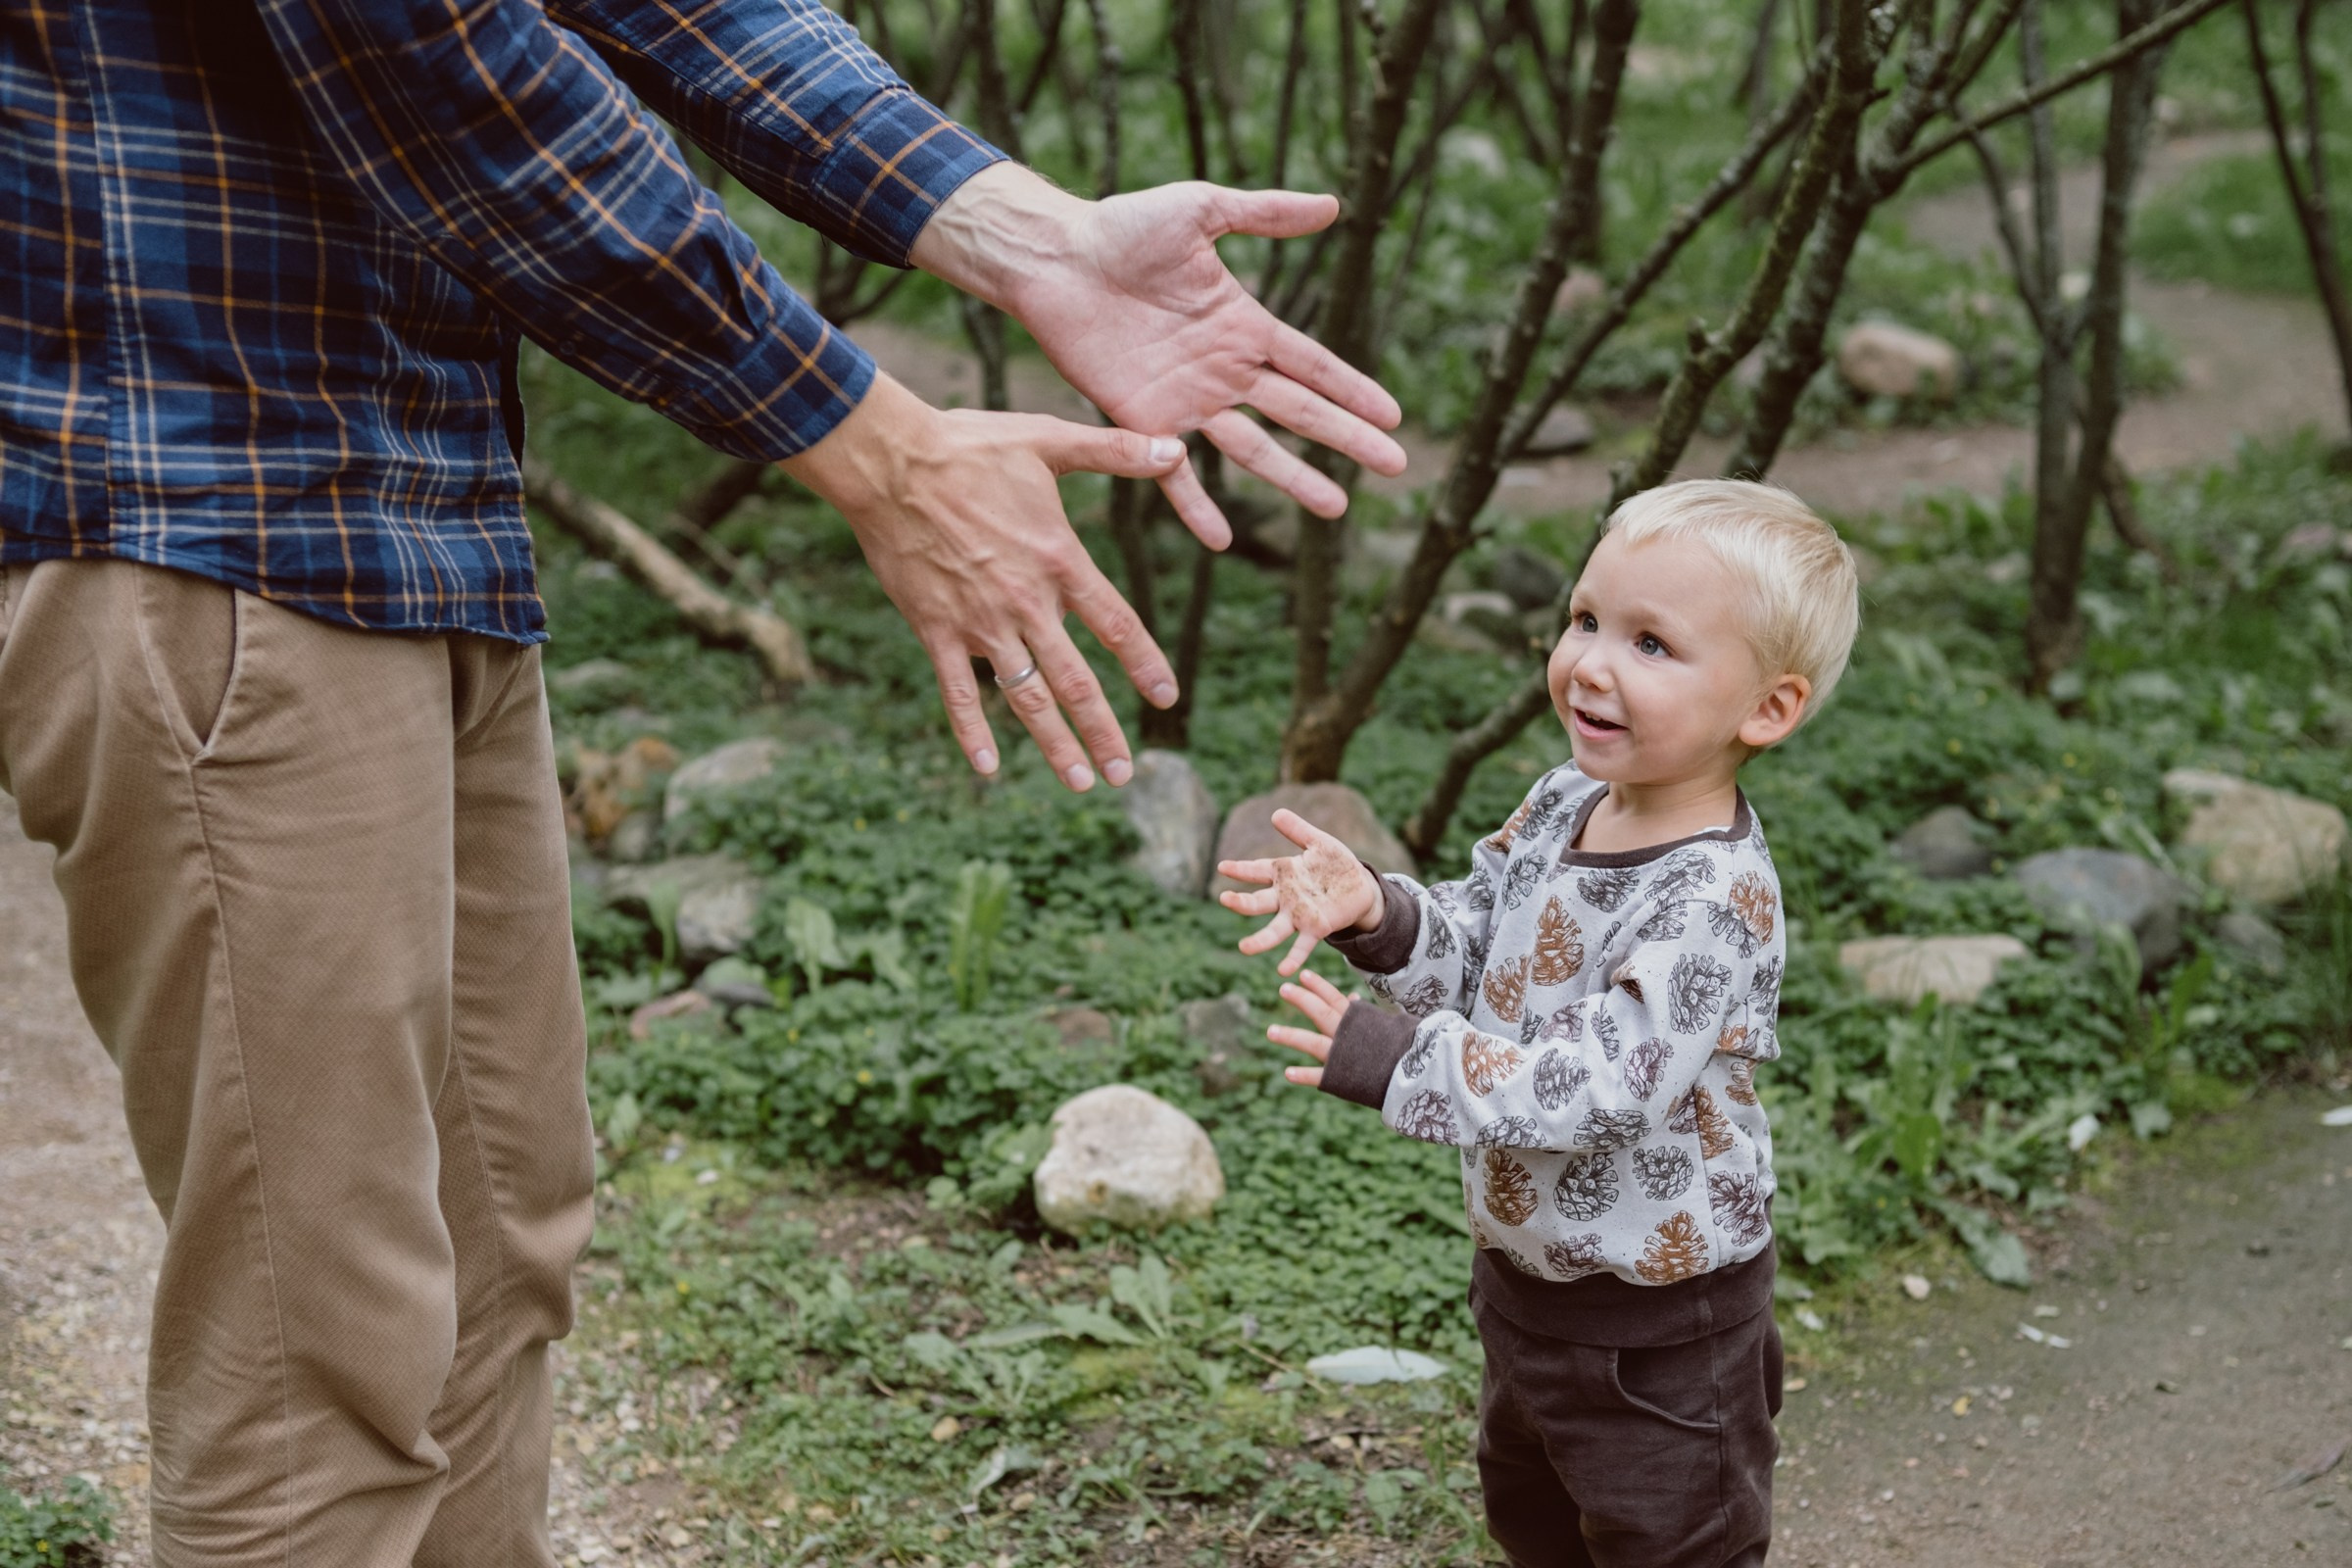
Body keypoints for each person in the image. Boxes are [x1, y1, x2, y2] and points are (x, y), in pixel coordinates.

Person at [0, 1, 1404, 1561]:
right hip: (209, 510)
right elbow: (452, 71)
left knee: (500, 1244)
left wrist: (1022, 233)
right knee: (317, 1353)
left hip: (424, 516)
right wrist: (874, 444)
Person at [1218, 479, 1861, 1567]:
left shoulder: (1709, 901)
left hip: (1662, 1323)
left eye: (1653, 644)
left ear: (1768, 709)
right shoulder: (1567, 799)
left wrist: (1398, 1062)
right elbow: (1485, 943)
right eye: (1587, 619)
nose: (1593, 662)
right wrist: (1381, 916)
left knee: (1671, 1541)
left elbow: (1606, 1086)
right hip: (1527, 1282)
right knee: (1537, 1519)